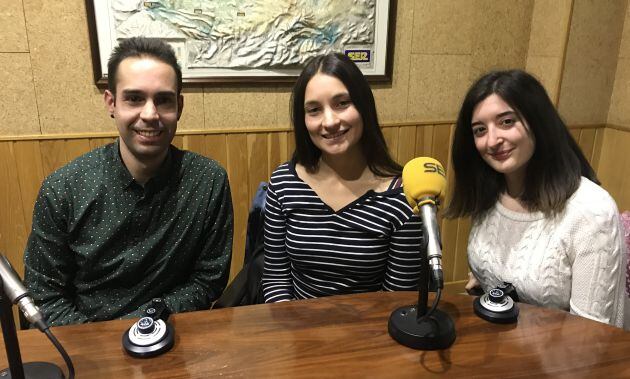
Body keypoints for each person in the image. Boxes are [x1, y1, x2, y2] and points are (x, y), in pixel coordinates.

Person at [23, 37, 234, 326]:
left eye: (163, 100)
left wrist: (145, 322)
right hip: (87, 344)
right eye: (134, 98)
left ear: (179, 106)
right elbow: (44, 296)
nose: (150, 114)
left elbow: (208, 280)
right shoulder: (63, 189)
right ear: (111, 103)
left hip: (174, 333)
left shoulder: (208, 180)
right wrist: (108, 340)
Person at [446, 69, 626, 327]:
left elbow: (590, 336)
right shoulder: (490, 193)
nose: (493, 140)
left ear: (537, 122)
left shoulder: (590, 211)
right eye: (479, 130)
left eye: (507, 122)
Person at [261, 53, 423, 303]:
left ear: (364, 106)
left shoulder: (404, 196)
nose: (329, 121)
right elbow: (275, 278)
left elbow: (397, 300)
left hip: (370, 334)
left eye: (342, 103)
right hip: (295, 331)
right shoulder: (284, 183)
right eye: (314, 110)